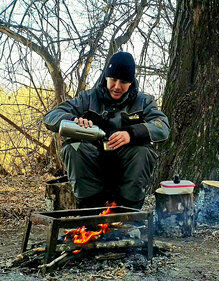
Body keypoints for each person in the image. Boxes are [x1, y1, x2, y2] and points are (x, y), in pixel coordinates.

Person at [44, 51, 169, 209]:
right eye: (113, 79)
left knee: (143, 152)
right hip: (93, 163)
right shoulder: (88, 98)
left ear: (131, 82)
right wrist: (73, 121)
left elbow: (162, 125)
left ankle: (129, 217)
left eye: (123, 81)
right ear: (106, 77)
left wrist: (131, 134)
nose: (117, 86)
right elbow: (51, 116)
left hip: (127, 164)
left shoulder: (144, 102)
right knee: (73, 148)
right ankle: (90, 215)